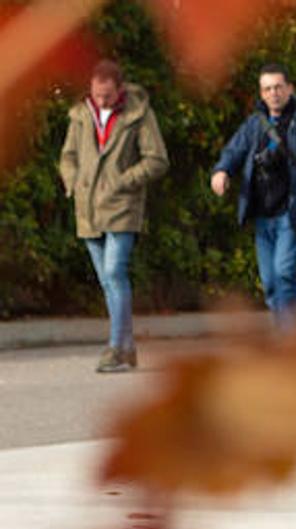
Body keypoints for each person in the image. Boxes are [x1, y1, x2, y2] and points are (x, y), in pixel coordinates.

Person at [58, 60, 168, 373]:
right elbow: (68, 156)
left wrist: (121, 181)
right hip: (88, 208)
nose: (101, 101)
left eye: (106, 96)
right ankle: (128, 347)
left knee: (115, 273)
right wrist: (72, 181)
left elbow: (157, 160)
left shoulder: (139, 114)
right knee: (107, 281)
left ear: (119, 90)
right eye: (96, 95)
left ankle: (115, 348)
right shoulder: (80, 115)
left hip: (122, 207)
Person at [210, 63, 296, 332]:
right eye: (267, 89)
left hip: (293, 209)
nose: (273, 93)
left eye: (278, 87)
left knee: (284, 271)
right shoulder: (255, 123)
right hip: (263, 213)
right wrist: (221, 171)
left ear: (290, 88)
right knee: (269, 282)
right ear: (261, 93)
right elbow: (233, 151)